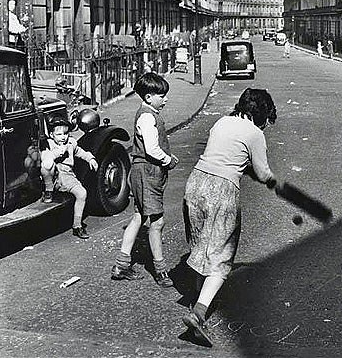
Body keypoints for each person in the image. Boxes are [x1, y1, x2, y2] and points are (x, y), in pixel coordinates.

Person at [181, 88, 278, 347]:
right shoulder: (255, 133)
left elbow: (225, 155)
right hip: (222, 191)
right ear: (260, 114)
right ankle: (199, 313)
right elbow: (261, 170)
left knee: (201, 242)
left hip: (196, 182)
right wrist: (272, 181)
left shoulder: (221, 121)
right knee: (222, 254)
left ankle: (198, 295)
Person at [111, 73, 179, 287]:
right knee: (157, 223)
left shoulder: (147, 113)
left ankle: (121, 265)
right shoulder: (148, 116)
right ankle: (160, 271)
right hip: (147, 171)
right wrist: (168, 160)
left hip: (141, 172)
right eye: (162, 95)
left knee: (139, 217)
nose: (165, 99)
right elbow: (152, 149)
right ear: (149, 97)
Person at [40, 117, 98, 239]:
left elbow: (80, 151)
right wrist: (57, 153)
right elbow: (45, 159)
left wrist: (90, 158)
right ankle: (48, 191)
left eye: (65, 133)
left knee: (82, 193)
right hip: (54, 174)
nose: (63, 137)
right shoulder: (48, 144)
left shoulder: (71, 143)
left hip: (67, 175)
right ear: (51, 135)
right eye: (59, 134)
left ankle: (77, 225)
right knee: (47, 165)